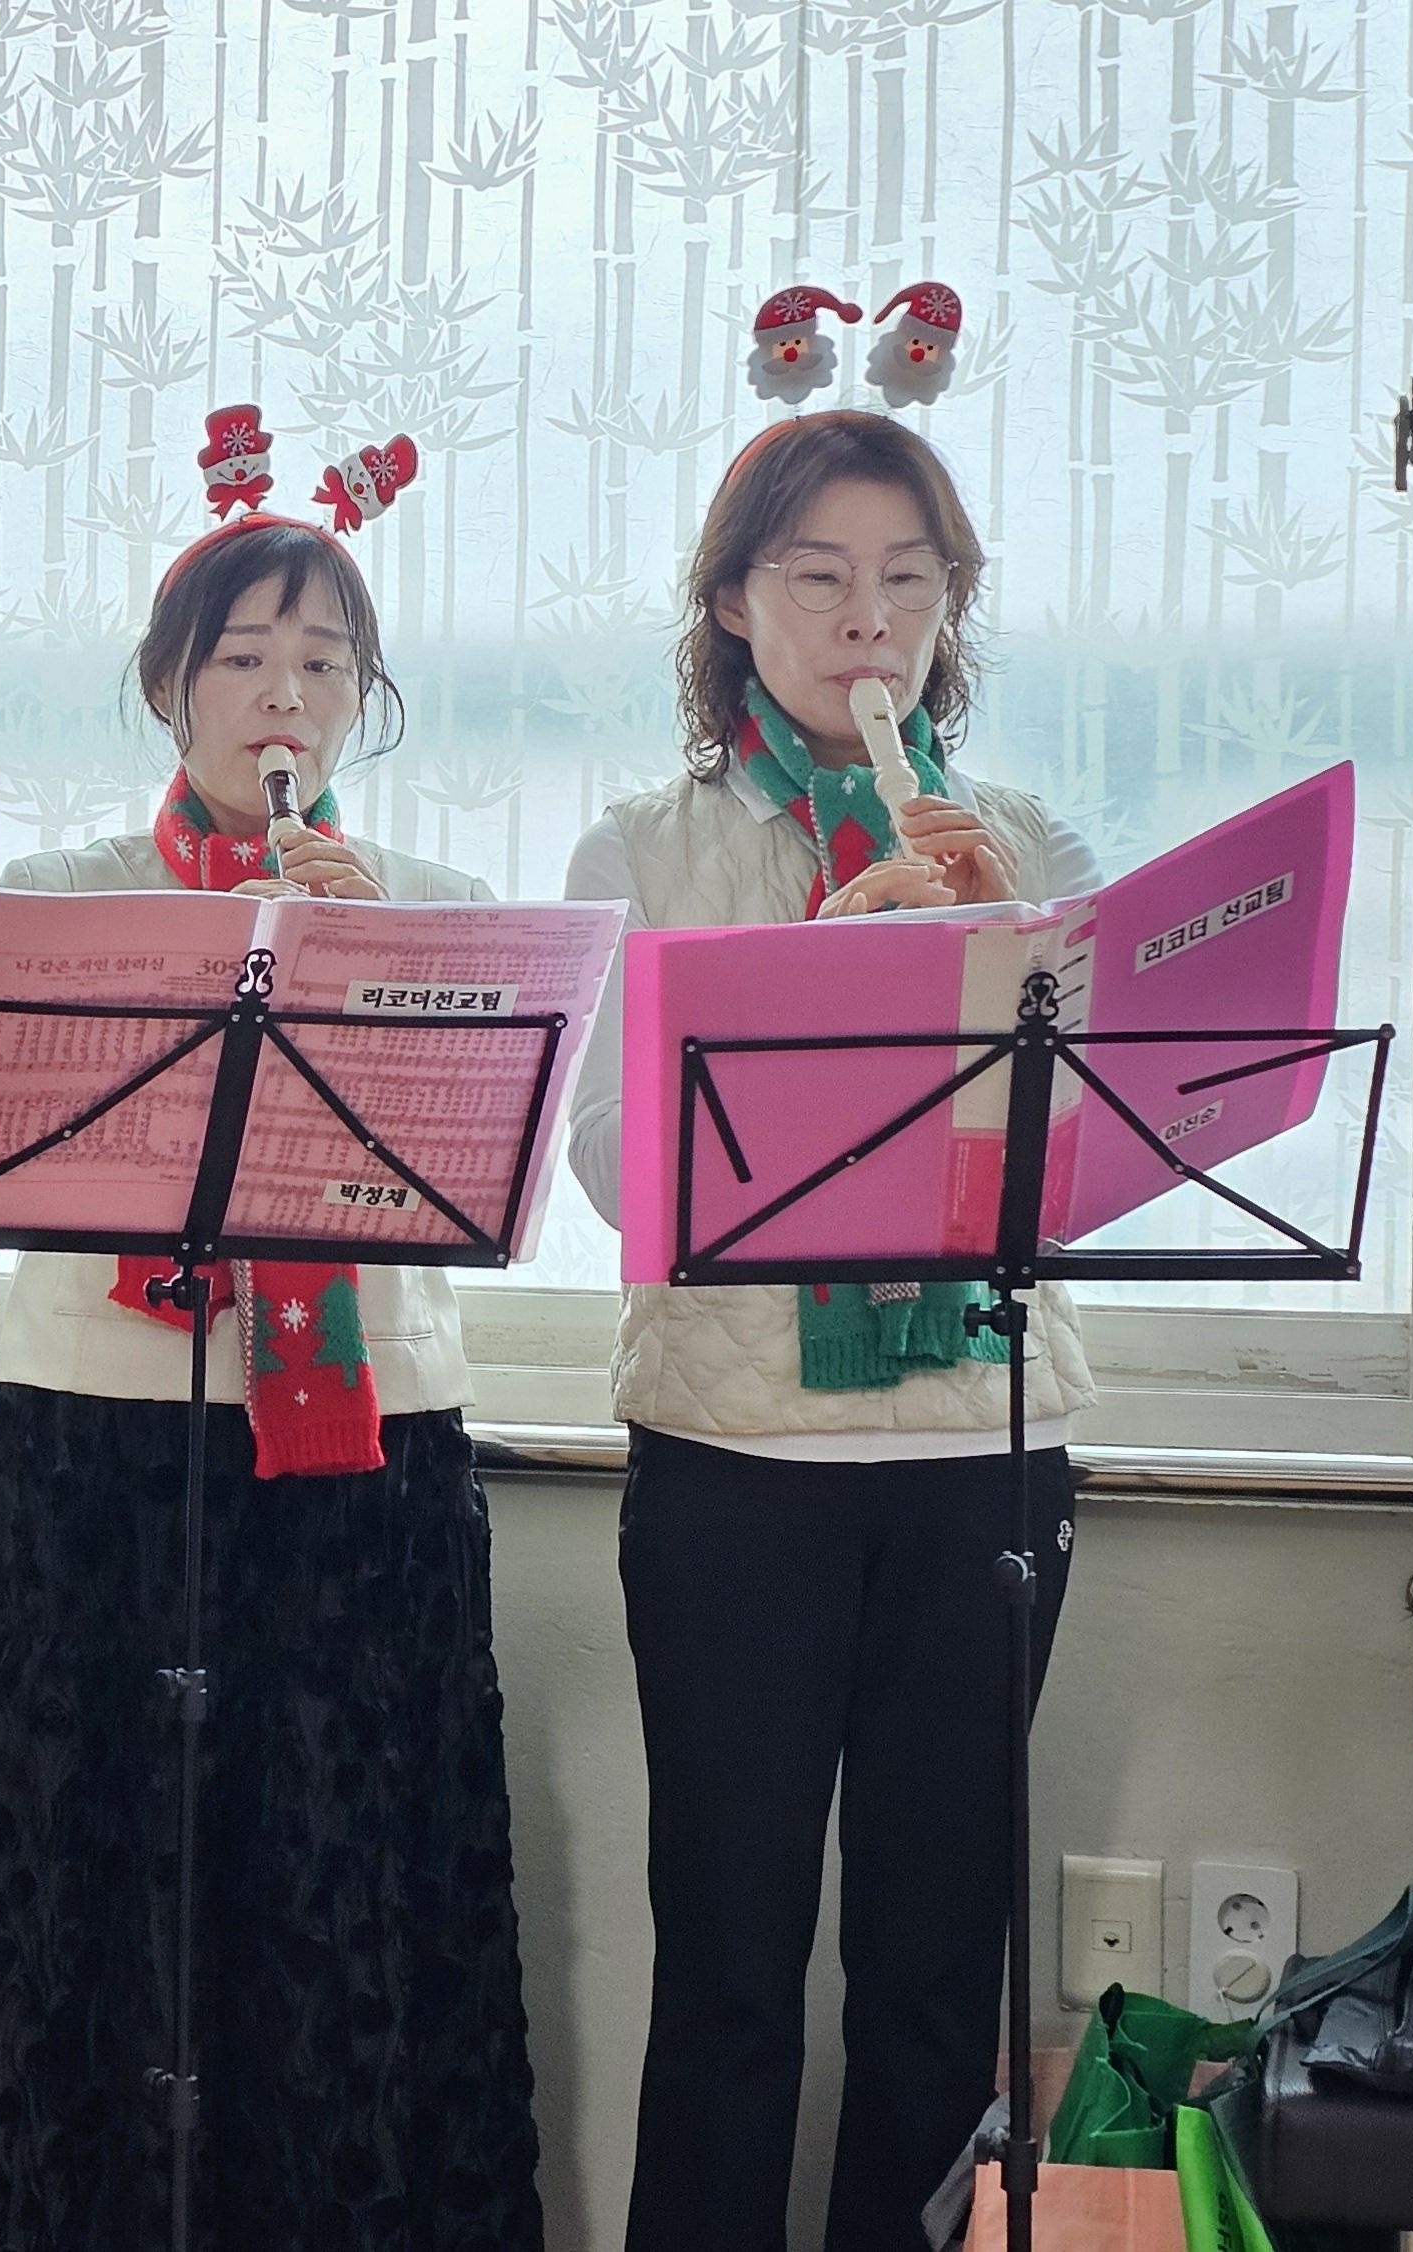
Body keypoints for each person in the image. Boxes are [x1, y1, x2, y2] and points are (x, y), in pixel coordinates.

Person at [0, 503, 544, 2251]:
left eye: (325, 664)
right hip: (95, 1440)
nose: (285, 698)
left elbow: (477, 1200)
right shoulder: (60, 900)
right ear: (170, 687)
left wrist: (385, 972)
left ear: (363, 699)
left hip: (365, 1452)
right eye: (245, 659)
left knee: (337, 1891)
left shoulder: (443, 908)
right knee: (67, 1886)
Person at [561, 408, 1100, 2252]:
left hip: (984, 1447)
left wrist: (1007, 952)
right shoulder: (643, 847)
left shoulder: (1033, 844)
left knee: (938, 1977)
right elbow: (619, 1172)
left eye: (908, 580)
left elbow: (1097, 1164)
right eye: (817, 578)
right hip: (738, 1461)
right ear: (732, 604)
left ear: (951, 608)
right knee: (727, 1968)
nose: (869, 621)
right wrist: (846, 969)